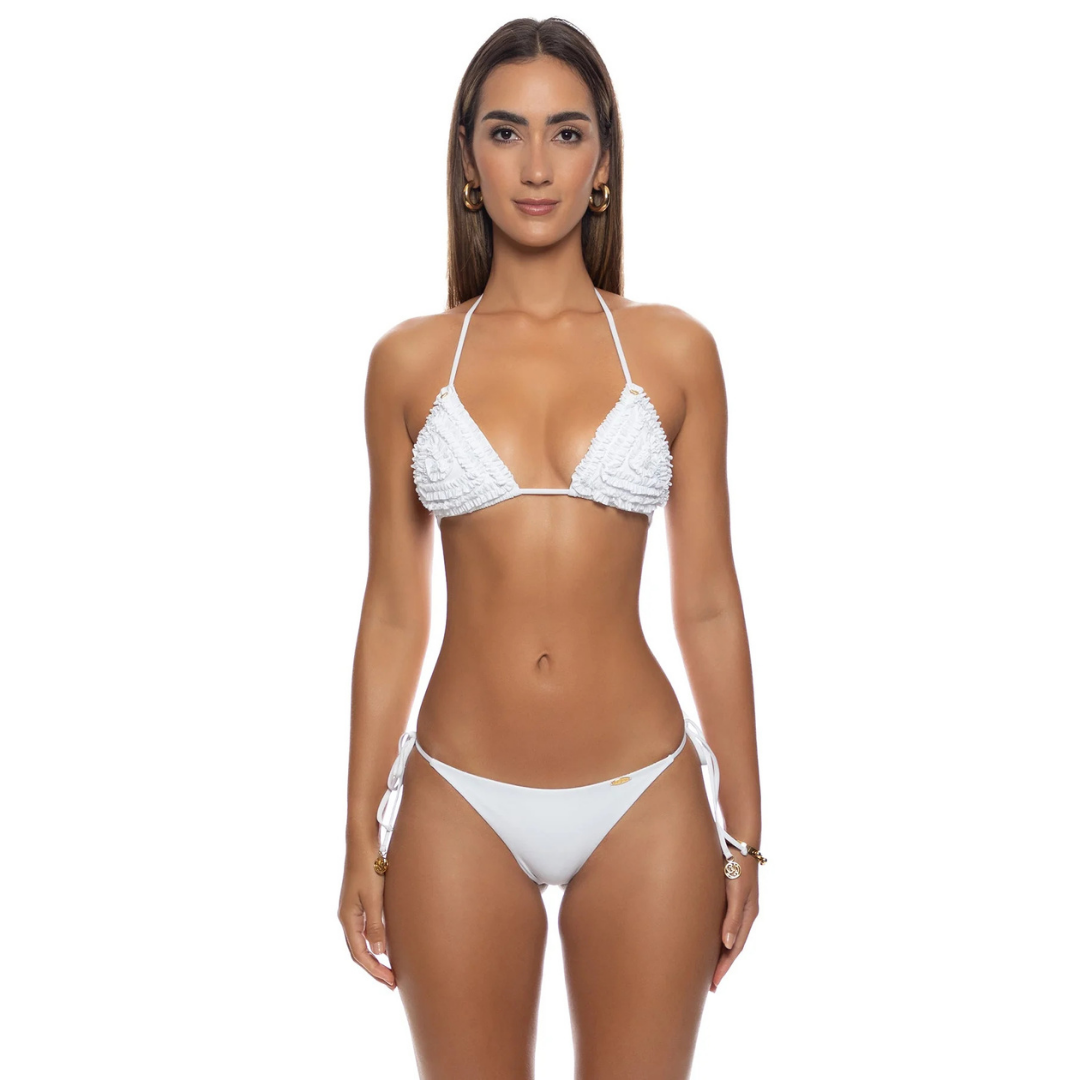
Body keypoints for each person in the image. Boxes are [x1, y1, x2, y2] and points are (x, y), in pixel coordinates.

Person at [338, 17, 764, 1078]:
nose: (537, 166)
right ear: (468, 158)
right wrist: (355, 829)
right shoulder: (408, 363)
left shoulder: (676, 351)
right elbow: (393, 609)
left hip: (645, 794)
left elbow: (708, 599)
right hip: (457, 795)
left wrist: (746, 827)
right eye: (506, 132)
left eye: (567, 133)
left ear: (603, 159)